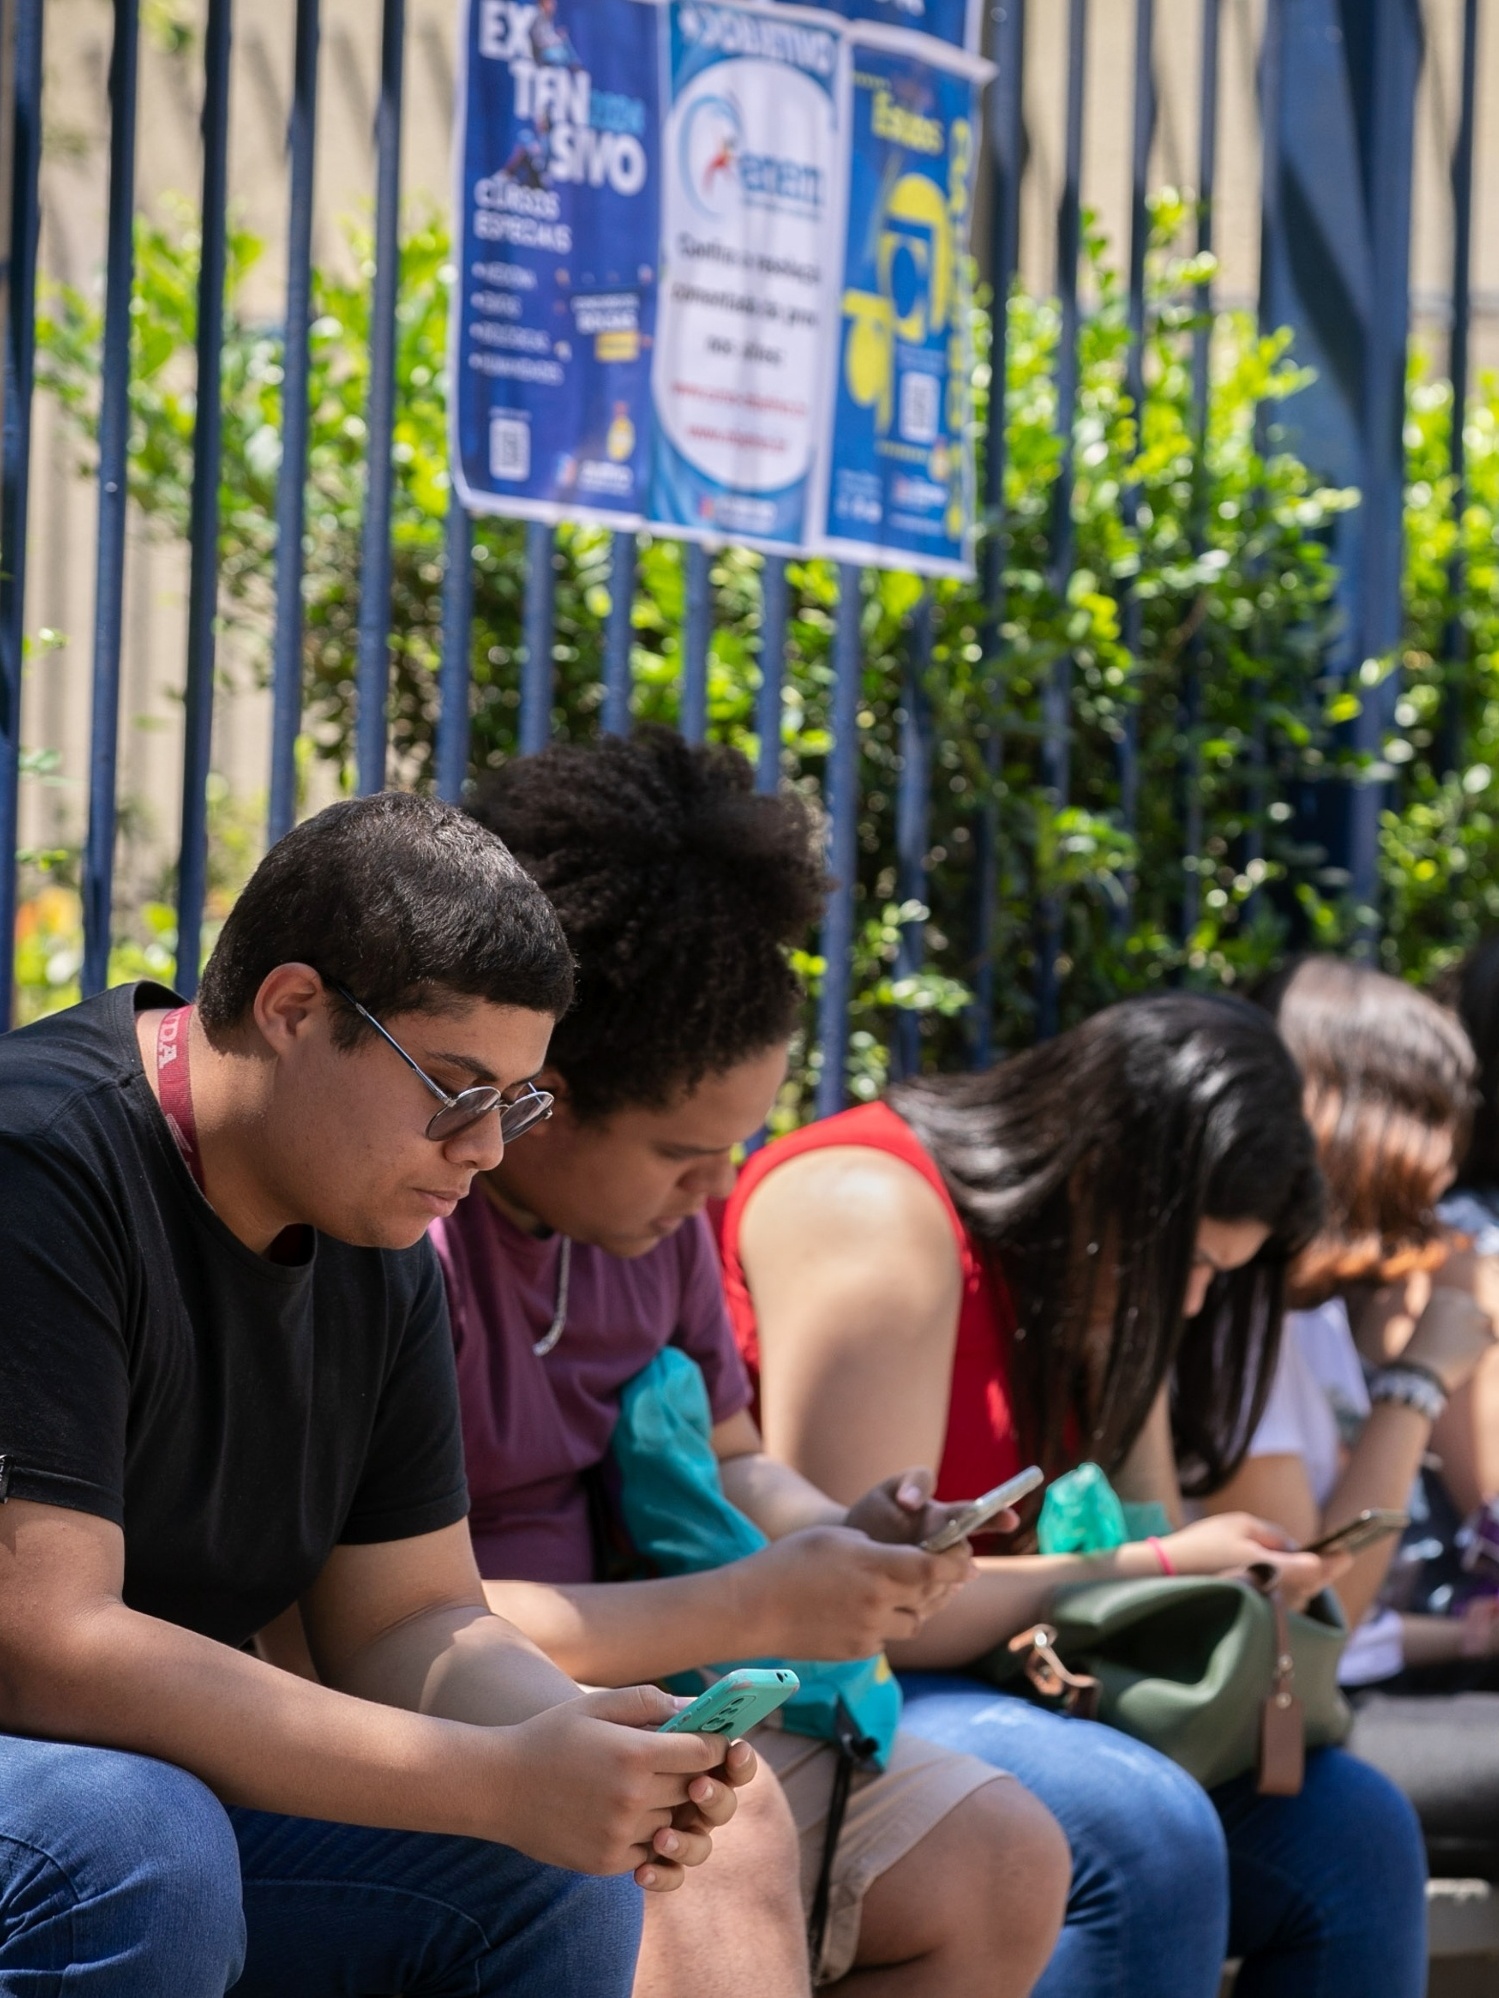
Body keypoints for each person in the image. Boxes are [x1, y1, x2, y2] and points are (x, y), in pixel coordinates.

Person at [0, 792, 755, 1998]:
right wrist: (495, 1780)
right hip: (76, 1801)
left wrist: (583, 1740)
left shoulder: (376, 1239)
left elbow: (410, 1619)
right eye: (457, 1090)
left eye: (516, 1102)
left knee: (544, 1872)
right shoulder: (37, 1159)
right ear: (293, 1008)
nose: (489, 1150)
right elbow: (50, 1649)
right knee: (136, 1839)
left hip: (121, 1792)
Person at [434, 729, 1071, 1995]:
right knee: (715, 1850)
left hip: (652, 1685)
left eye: (735, 1146)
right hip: (460, 1717)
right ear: (532, 1097)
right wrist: (758, 1604)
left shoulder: (651, 1230)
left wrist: (844, 1533)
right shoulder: (413, 1239)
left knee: (998, 1860)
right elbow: (393, 1622)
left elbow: (733, 1458)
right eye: (681, 1154)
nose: (716, 1193)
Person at [719, 994, 1431, 1998]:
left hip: (1002, 1679)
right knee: (1138, 1829)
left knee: (1353, 1832)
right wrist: (1166, 1564)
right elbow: (852, 1612)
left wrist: (1209, 1563)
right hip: (832, 1694)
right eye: (1188, 1263)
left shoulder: (1089, 1261)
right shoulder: (875, 1209)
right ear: (1103, 1180)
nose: (1190, 1302)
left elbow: (1142, 1530)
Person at [1203, 955, 1499, 1879]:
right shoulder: (1237, 1318)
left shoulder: (1321, 1308)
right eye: (1431, 1125)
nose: (1446, 1162)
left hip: (1371, 1686)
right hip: (1303, 1721)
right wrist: (1418, 1383)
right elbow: (1320, 1608)